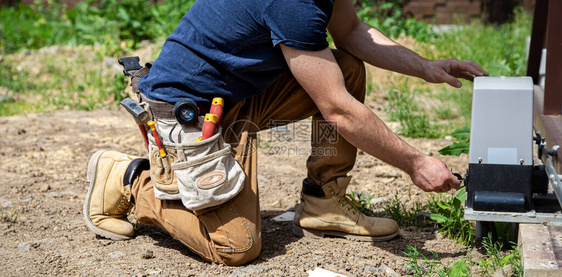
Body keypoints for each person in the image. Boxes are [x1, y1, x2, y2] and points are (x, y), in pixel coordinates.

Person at [83, 0, 488, 266]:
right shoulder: (293, 3)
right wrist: (415, 163)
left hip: (238, 96)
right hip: (185, 111)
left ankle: (322, 203)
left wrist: (425, 67)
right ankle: (130, 179)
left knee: (344, 67)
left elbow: (351, 32)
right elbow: (338, 111)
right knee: (236, 247)